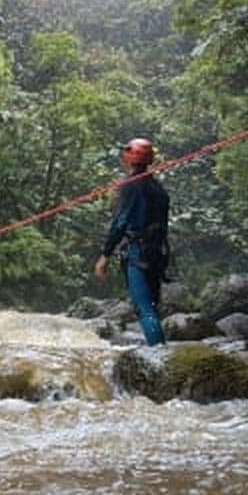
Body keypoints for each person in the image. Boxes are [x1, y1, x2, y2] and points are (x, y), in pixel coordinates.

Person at [95, 138, 170, 346]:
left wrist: (105, 255)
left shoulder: (131, 186)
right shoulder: (158, 188)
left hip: (138, 253)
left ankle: (159, 356)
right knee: (152, 307)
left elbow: (121, 222)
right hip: (158, 253)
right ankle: (161, 351)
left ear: (129, 158)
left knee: (145, 309)